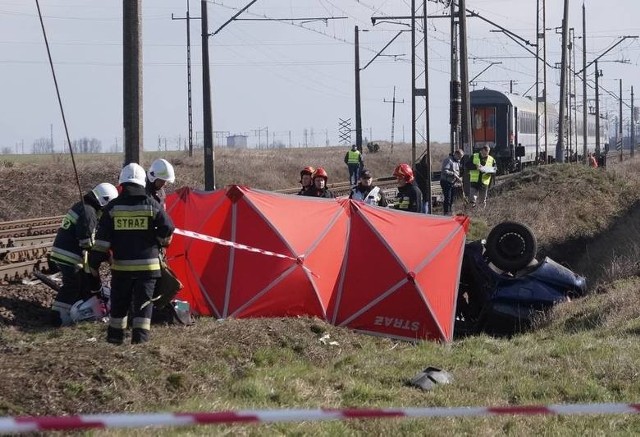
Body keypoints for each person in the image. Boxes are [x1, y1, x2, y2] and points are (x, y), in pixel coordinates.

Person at [89, 163, 175, 345]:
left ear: (122, 182)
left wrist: (94, 263)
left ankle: (114, 340)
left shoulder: (112, 208)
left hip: (122, 269)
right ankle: (140, 343)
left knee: (119, 306)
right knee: (143, 307)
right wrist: (160, 240)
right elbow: (168, 227)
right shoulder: (152, 205)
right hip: (148, 269)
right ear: (142, 182)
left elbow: (102, 242)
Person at [49, 183, 119, 326]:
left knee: (79, 283)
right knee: (72, 285)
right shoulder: (89, 212)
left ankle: (75, 313)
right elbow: (87, 241)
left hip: (64, 251)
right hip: (69, 255)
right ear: (104, 201)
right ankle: (57, 317)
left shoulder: (84, 207)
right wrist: (104, 255)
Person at [440, 149, 464, 215]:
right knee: (448, 198)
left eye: (461, 157)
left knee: (452, 199)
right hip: (446, 182)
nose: (460, 158)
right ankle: (446, 213)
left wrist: (458, 178)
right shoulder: (448, 160)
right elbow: (444, 171)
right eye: (459, 156)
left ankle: (450, 212)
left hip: (452, 183)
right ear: (456, 154)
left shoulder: (457, 162)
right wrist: (453, 174)